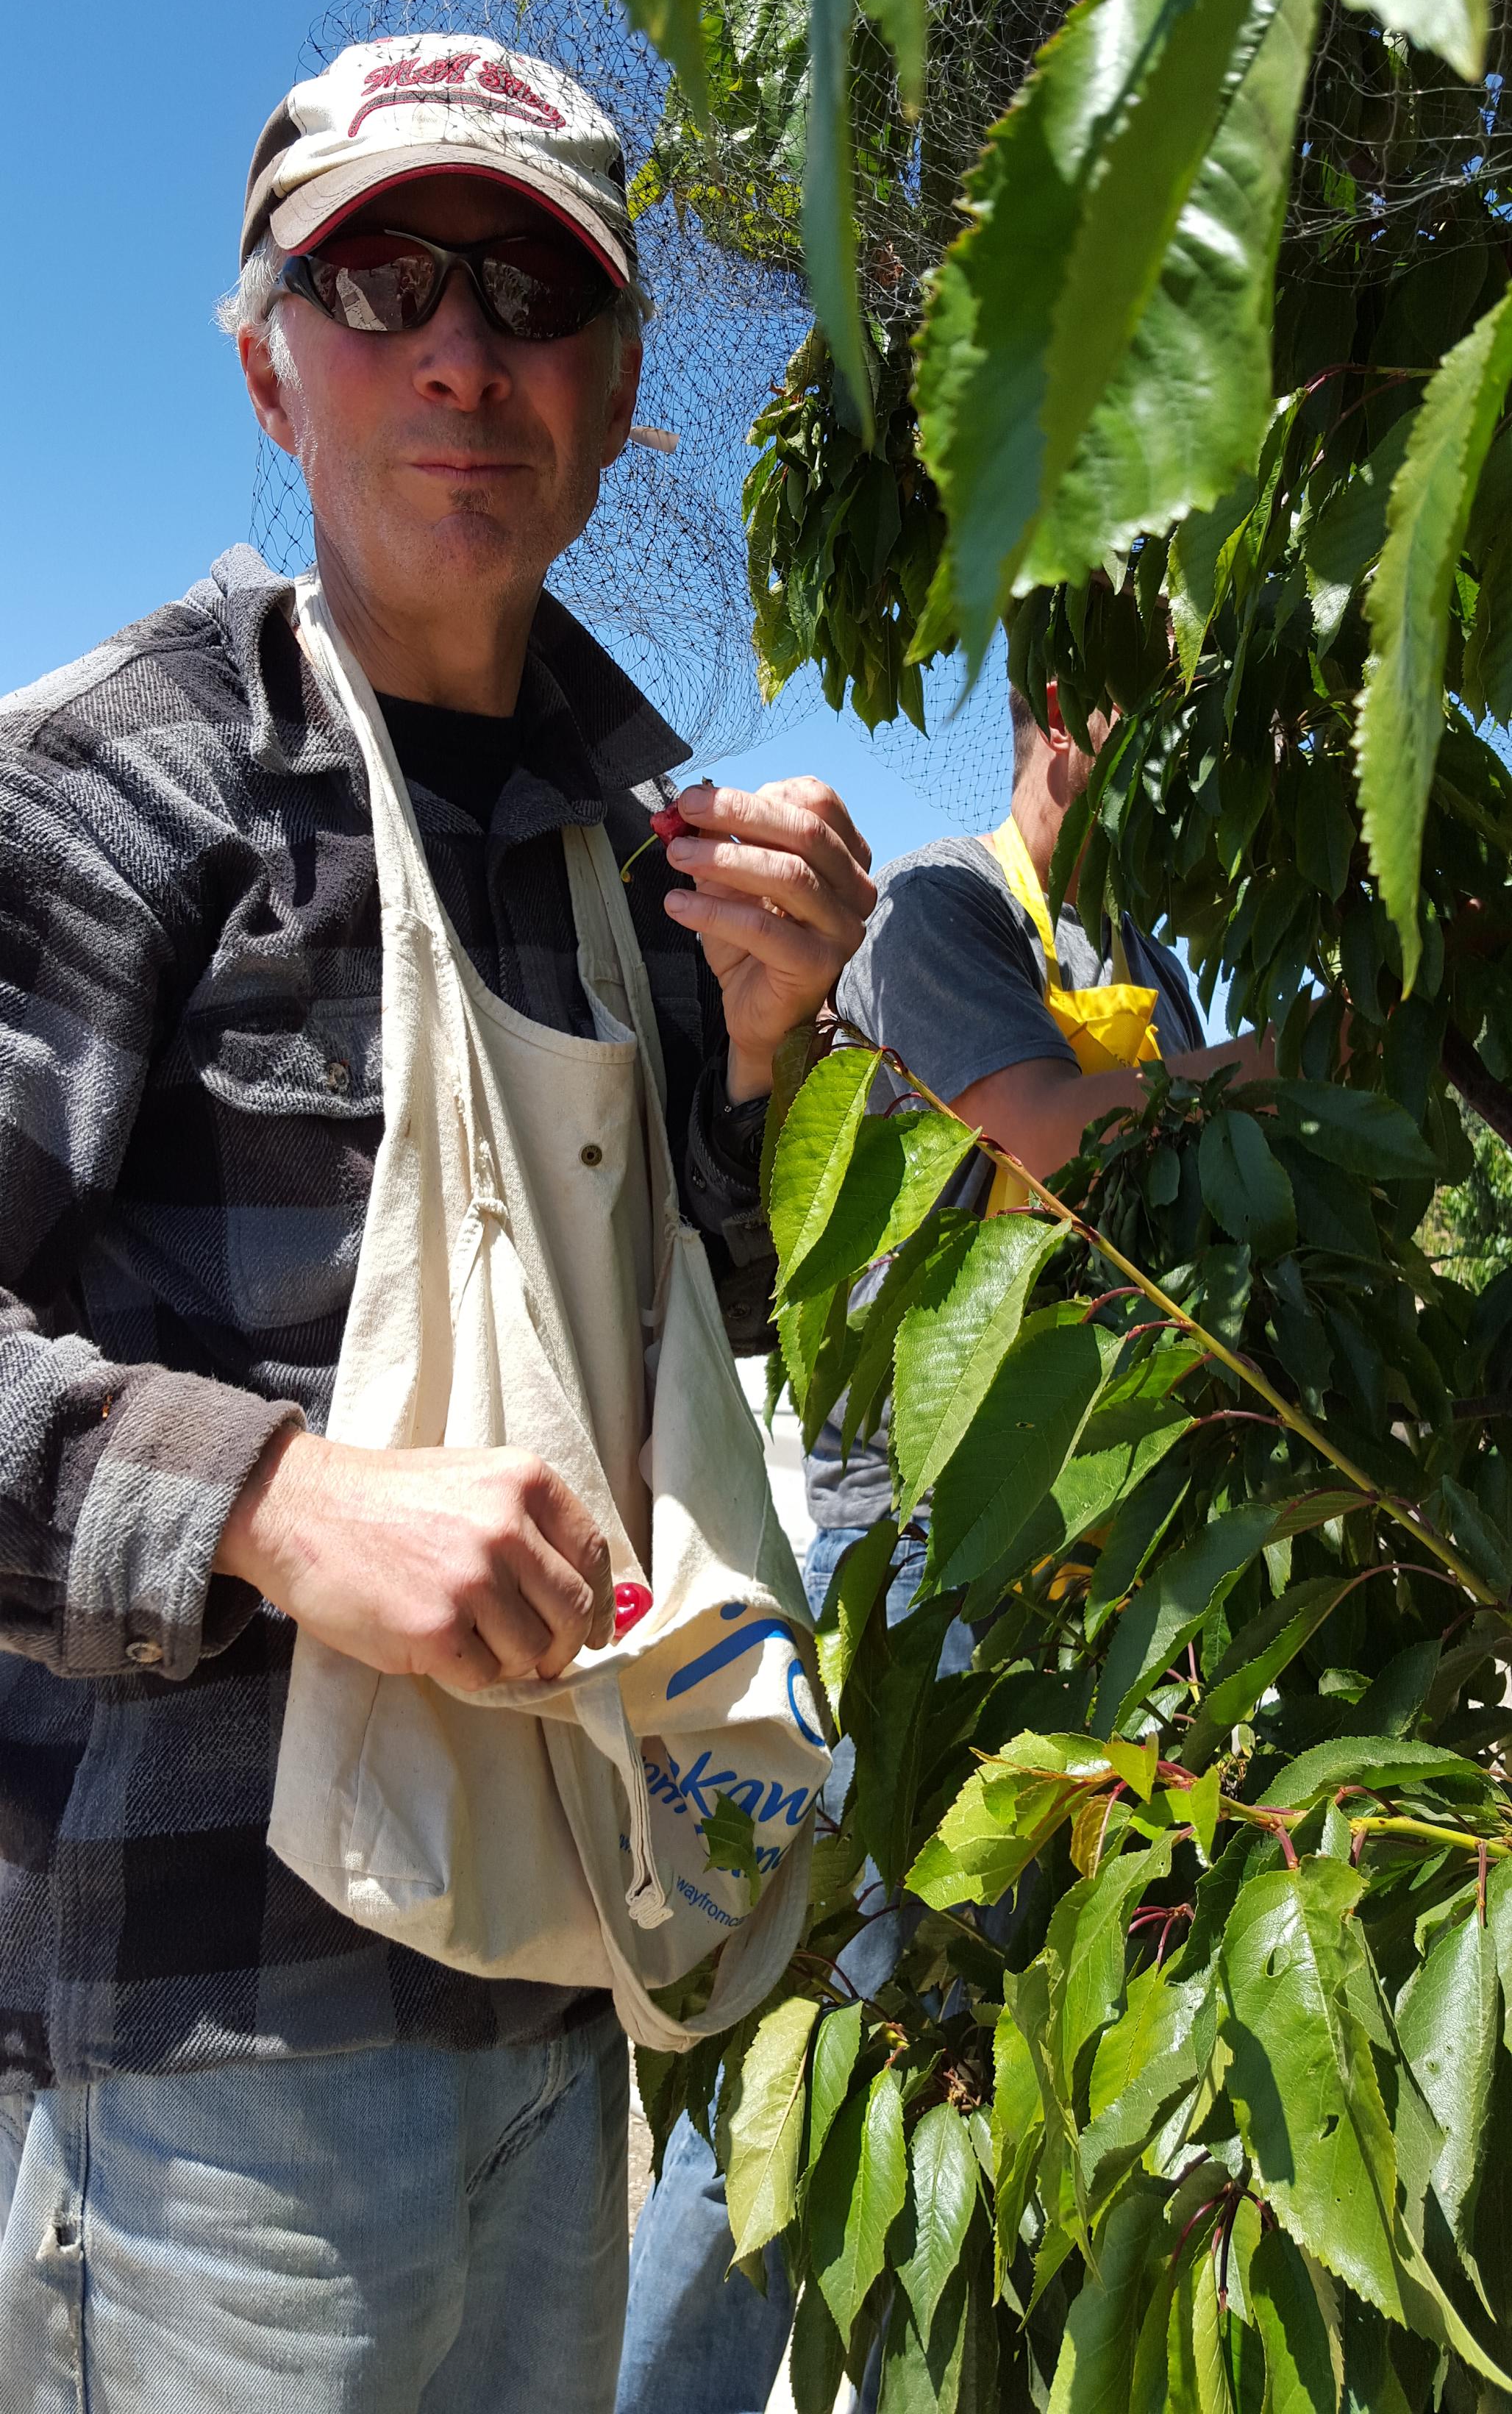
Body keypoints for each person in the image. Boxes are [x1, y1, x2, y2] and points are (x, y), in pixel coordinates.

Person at [0, 33, 876, 2414]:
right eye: (382, 278)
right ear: (270, 360)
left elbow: (681, 1349)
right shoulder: (132, 773)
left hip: (547, 1942)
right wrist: (277, 1502)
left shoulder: (628, 866)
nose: (461, 349)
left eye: (533, 288)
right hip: (213, 2034)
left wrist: (761, 1060)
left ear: (615, 397)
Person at [616, 679, 1273, 2414]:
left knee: (991, 2064)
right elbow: (1033, 1133)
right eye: (1154, 695)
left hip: (1089, 1568)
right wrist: (1316, 1058)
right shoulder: (936, 909)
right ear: (1063, 709)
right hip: (919, 1567)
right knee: (821, 2029)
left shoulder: (1146, 952)